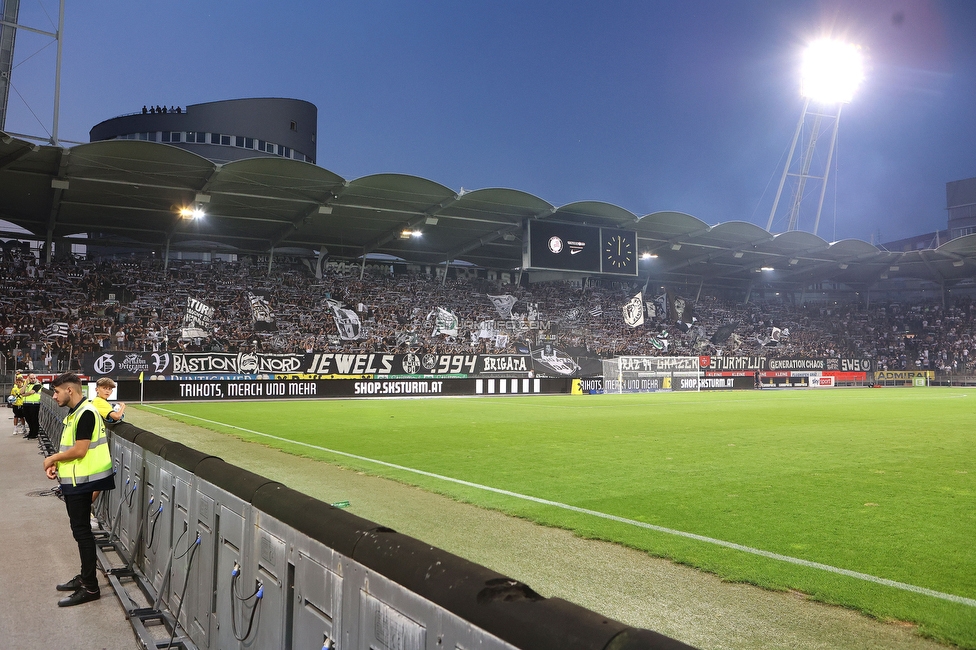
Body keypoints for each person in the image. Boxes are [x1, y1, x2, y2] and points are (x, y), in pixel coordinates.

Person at [43, 373, 116, 607]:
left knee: (82, 531)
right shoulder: (77, 412)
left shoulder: (85, 413)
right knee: (80, 530)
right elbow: (71, 450)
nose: (54, 396)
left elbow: (80, 450)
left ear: (70, 391)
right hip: (77, 479)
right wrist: (57, 463)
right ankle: (85, 577)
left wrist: (51, 458)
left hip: (83, 481)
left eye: (57, 392)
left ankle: (90, 587)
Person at [21, 373, 42, 439]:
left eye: (34, 378)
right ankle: (31, 432)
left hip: (34, 404)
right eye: (31, 378)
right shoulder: (27, 385)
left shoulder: (38, 385)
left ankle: (34, 433)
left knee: (34, 419)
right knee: (28, 419)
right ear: (28, 378)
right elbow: (21, 392)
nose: (33, 380)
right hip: (26, 404)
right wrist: (25, 383)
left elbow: (31, 392)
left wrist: (24, 395)